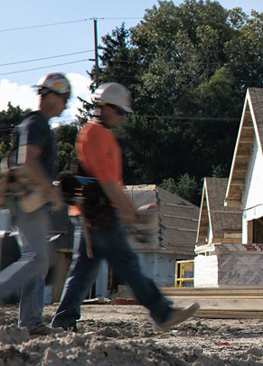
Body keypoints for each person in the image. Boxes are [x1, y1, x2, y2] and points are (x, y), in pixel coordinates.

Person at [50, 82, 198, 332]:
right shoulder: (98, 135)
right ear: (104, 107)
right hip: (99, 214)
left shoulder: (92, 133)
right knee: (127, 264)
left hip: (91, 213)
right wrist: (129, 212)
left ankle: (64, 321)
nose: (120, 118)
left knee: (83, 270)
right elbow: (106, 182)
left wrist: (128, 210)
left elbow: (108, 182)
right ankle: (162, 312)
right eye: (118, 112)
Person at [0, 73, 71, 335]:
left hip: (27, 203)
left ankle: (30, 321)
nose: (66, 104)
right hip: (28, 204)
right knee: (38, 259)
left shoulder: (36, 124)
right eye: (65, 98)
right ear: (51, 95)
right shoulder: (36, 123)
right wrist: (51, 192)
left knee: (38, 260)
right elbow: (26, 161)